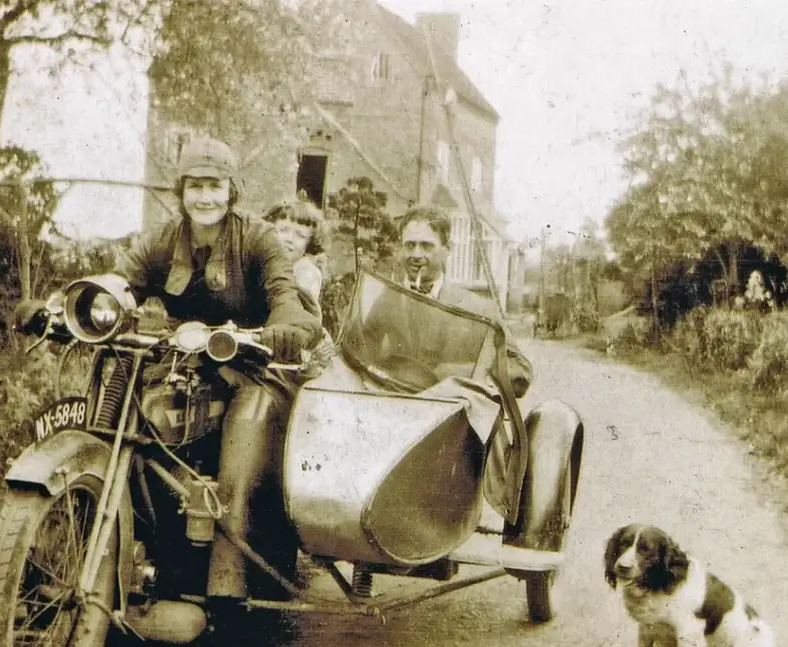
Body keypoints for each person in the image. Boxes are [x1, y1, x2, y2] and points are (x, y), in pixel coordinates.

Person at [113, 137, 323, 603]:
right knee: (138, 425)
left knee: (240, 452)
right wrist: (97, 297)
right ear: (181, 190)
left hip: (251, 367)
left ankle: (228, 588)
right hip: (181, 364)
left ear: (232, 190)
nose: (205, 196)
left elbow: (286, 295)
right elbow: (124, 279)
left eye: (215, 185)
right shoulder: (163, 239)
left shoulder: (258, 237)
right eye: (195, 186)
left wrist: (282, 327)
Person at [357, 205, 533, 522]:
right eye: (409, 245)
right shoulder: (387, 299)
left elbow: (520, 371)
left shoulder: (477, 309)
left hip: (451, 433)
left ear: (447, 251)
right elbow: (360, 355)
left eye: (427, 245)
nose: (416, 254)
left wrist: (466, 377)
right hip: (394, 422)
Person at [262, 194, 328, 318]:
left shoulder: (307, 272)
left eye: (300, 235)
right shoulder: (264, 262)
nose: (290, 239)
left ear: (309, 244)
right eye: (283, 230)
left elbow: (295, 311)